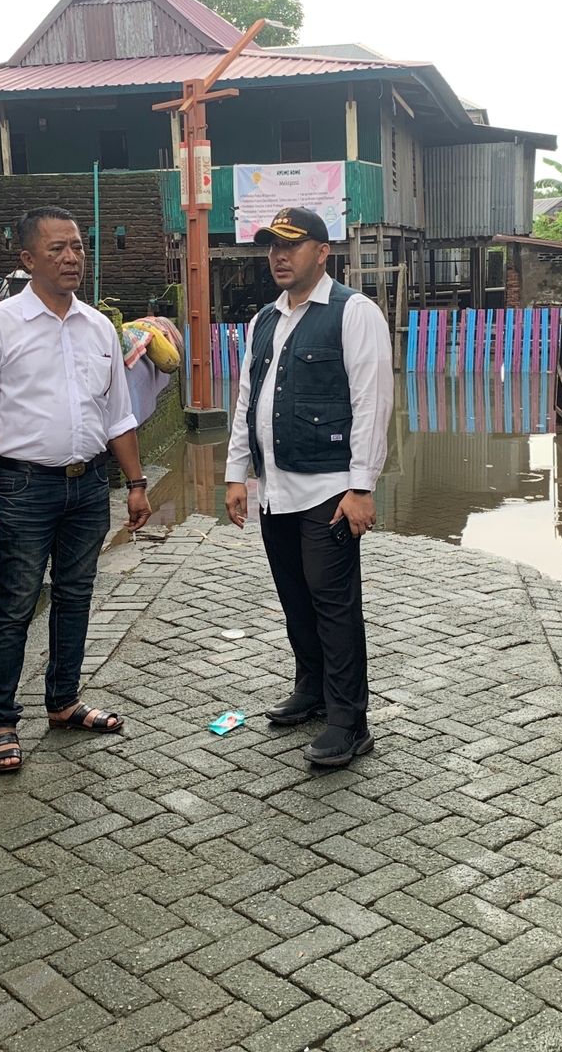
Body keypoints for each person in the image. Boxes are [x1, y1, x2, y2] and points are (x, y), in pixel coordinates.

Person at [0, 204, 152, 773]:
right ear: (28, 259)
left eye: (77, 247)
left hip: (89, 485)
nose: (72, 258)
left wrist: (136, 483)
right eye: (57, 249)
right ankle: (1, 721)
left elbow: (118, 415)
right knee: (16, 603)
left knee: (76, 595)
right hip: (25, 487)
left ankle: (63, 701)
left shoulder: (98, 328)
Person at [225, 206, 392, 767]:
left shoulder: (353, 312)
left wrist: (362, 486)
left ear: (323, 252)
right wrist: (236, 473)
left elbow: (372, 402)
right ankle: (312, 688)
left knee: (334, 606)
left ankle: (350, 720)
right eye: (273, 245)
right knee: (295, 598)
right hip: (274, 489)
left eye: (291, 245)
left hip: (330, 491)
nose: (279, 255)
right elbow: (247, 401)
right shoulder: (264, 320)